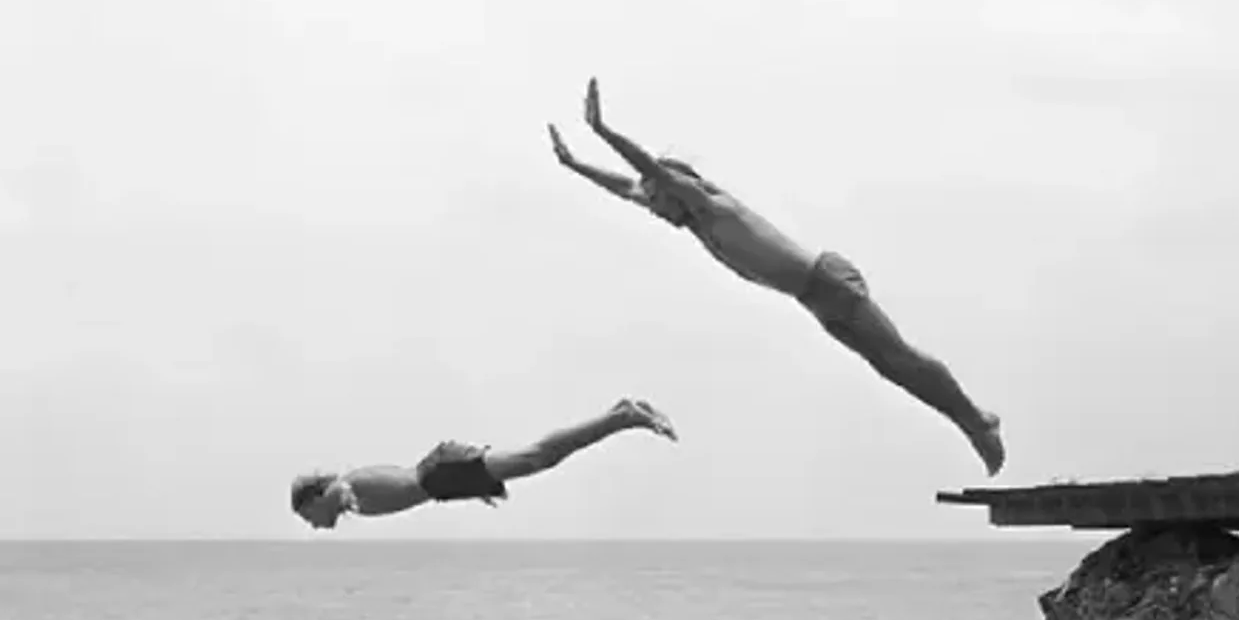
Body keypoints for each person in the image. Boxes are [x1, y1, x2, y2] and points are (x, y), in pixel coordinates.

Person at [547, 79, 1006, 476]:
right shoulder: (693, 221)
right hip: (813, 297)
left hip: (826, 280)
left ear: (674, 189)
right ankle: (971, 421)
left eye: (658, 199)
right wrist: (575, 165)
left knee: (900, 358)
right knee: (889, 367)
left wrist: (603, 131)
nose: (654, 209)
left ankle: (977, 421)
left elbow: (647, 171)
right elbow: (628, 187)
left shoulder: (711, 205)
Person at [288, 398, 677, 529]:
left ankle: (621, 416)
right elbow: (406, 489)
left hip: (441, 473)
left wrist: (346, 497)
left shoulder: (345, 488)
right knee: (539, 460)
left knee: (537, 457)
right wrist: (472, 493)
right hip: (445, 482)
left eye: (310, 517)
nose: (316, 527)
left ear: (318, 496)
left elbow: (348, 486)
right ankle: (618, 417)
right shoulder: (349, 498)